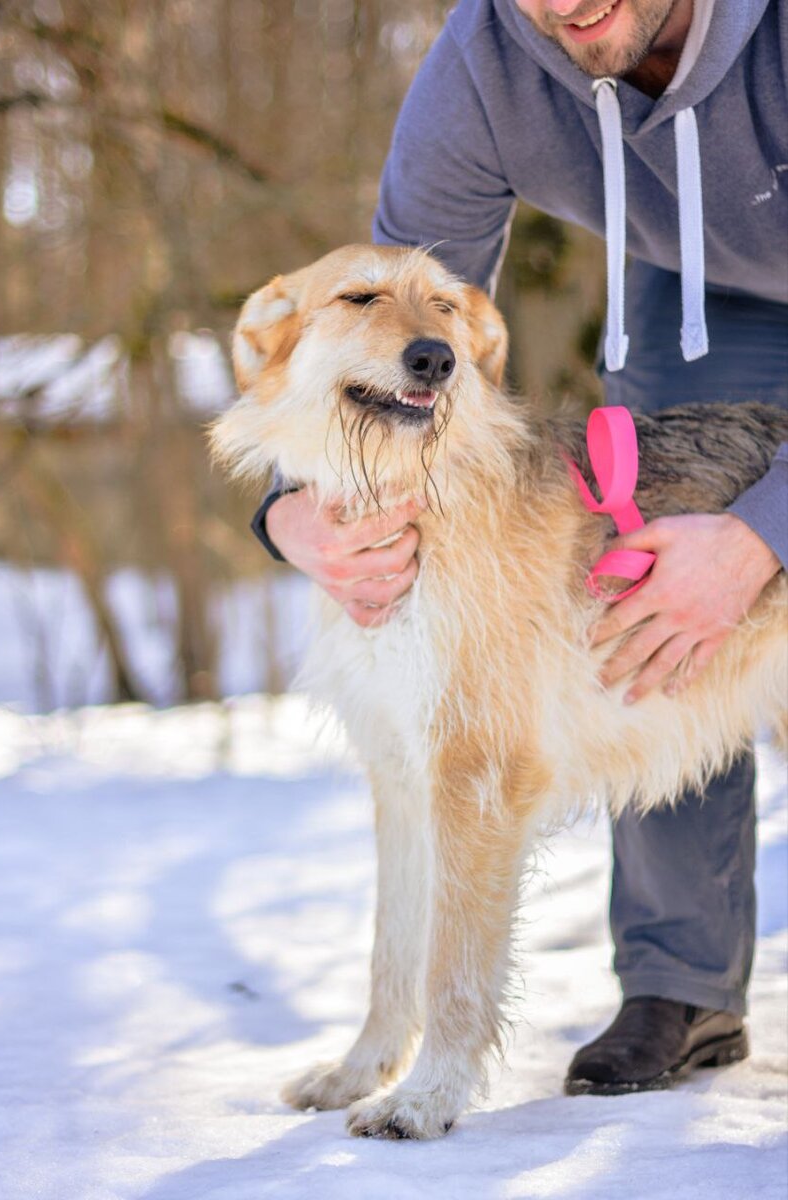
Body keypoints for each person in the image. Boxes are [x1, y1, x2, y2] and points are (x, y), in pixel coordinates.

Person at [253, 0, 788, 1094]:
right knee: (642, 619)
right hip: (693, 296)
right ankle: (681, 984)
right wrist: (293, 505)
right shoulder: (486, 62)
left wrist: (760, 536)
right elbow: (394, 319)